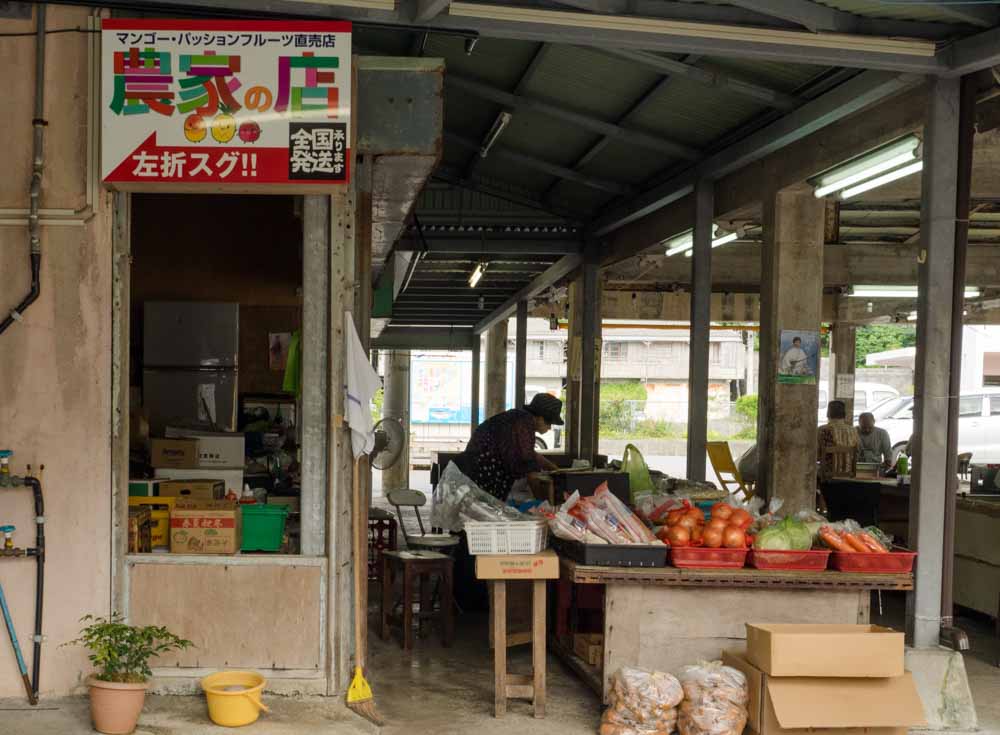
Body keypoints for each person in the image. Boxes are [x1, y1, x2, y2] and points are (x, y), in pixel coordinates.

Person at [453, 393, 562, 501]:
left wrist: (553, 467)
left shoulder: (518, 417)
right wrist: (542, 503)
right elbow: (530, 469)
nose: (549, 428)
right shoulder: (525, 423)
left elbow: (530, 454)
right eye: (550, 423)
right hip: (482, 474)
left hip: (472, 472)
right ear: (541, 418)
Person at [817, 400, 859, 481]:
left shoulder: (823, 430)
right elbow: (856, 452)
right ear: (844, 414)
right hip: (848, 473)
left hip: (827, 474)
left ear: (828, 414)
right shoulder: (853, 430)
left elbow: (817, 455)